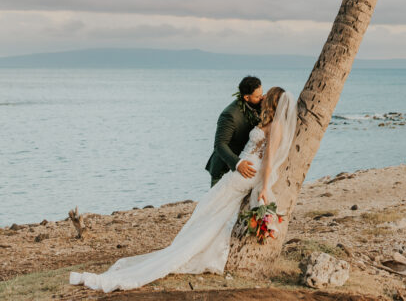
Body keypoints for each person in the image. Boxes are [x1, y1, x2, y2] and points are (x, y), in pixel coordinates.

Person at [69, 87, 296, 293]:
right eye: (261, 94)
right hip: (242, 170)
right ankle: (189, 246)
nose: (263, 97)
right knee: (212, 210)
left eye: (267, 96)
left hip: (248, 174)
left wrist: (265, 187)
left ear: (274, 102)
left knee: (211, 206)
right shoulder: (266, 121)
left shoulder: (276, 126)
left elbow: (268, 161)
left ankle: (187, 250)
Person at [206, 75, 263, 187]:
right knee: (217, 203)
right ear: (246, 98)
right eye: (258, 96)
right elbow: (220, 144)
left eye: (262, 94)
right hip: (224, 167)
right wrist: (237, 163)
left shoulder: (257, 105)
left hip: (246, 165)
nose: (261, 98)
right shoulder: (230, 115)